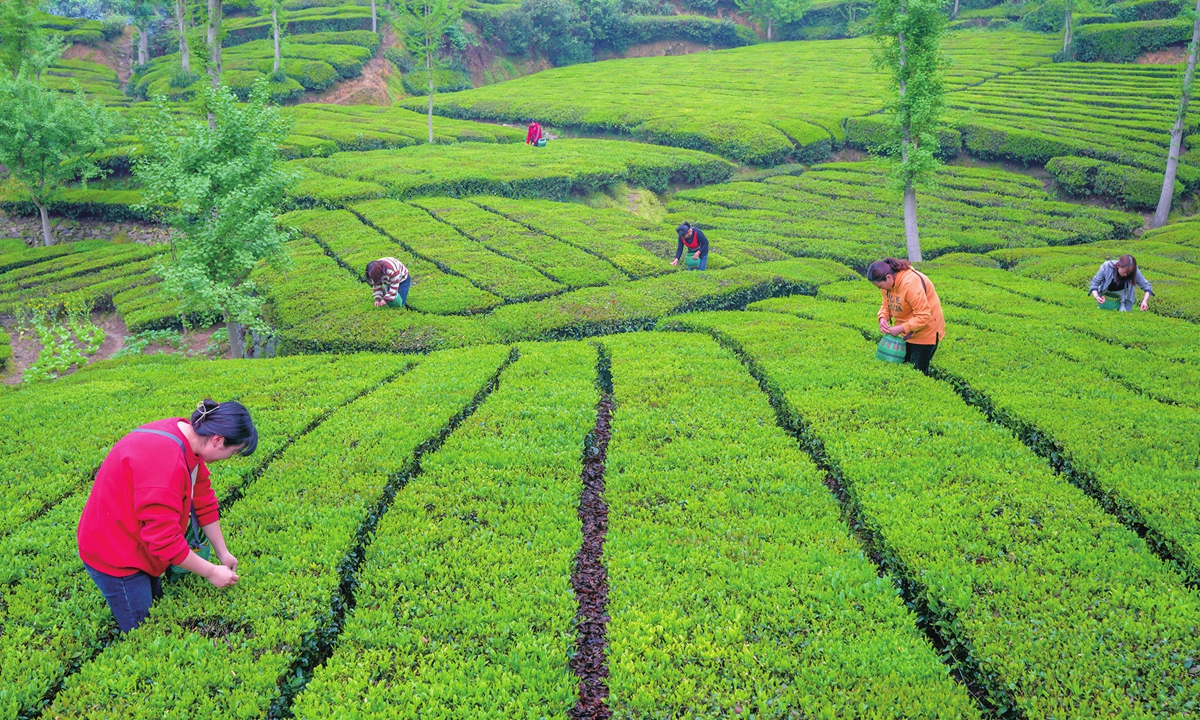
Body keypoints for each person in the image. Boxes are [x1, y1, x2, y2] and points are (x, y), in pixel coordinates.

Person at [77, 400, 257, 633]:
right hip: (114, 553)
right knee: (143, 631)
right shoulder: (166, 462)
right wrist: (211, 572)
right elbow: (164, 540)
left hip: (134, 540)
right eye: (232, 452)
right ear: (218, 440)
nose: (228, 459)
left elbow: (203, 501)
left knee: (157, 608)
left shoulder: (187, 438)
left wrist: (222, 552)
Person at [868, 257, 946, 374]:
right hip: (906, 332)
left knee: (917, 372)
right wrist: (883, 317)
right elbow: (886, 303)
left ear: (888, 277)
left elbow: (924, 315)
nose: (880, 289)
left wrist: (900, 328)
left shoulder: (910, 284)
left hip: (926, 332)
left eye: (880, 286)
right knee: (902, 370)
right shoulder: (888, 285)